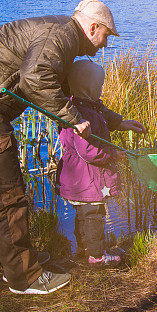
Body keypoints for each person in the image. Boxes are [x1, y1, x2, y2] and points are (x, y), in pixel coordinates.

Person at [0, 0, 144, 295]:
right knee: (5, 196)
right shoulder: (60, 36)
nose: (105, 45)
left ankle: (21, 264)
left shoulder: (63, 38)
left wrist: (119, 122)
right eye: (106, 36)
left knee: (8, 192)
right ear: (93, 27)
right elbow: (35, 78)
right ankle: (24, 278)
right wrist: (72, 119)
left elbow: (80, 99)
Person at [57, 60, 124, 267]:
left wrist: (122, 123)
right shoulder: (83, 115)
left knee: (82, 214)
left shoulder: (74, 108)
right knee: (94, 215)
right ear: (89, 87)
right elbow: (88, 151)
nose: (101, 89)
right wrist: (113, 154)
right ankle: (97, 256)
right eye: (100, 86)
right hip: (89, 178)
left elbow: (103, 112)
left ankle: (83, 248)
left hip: (77, 177)